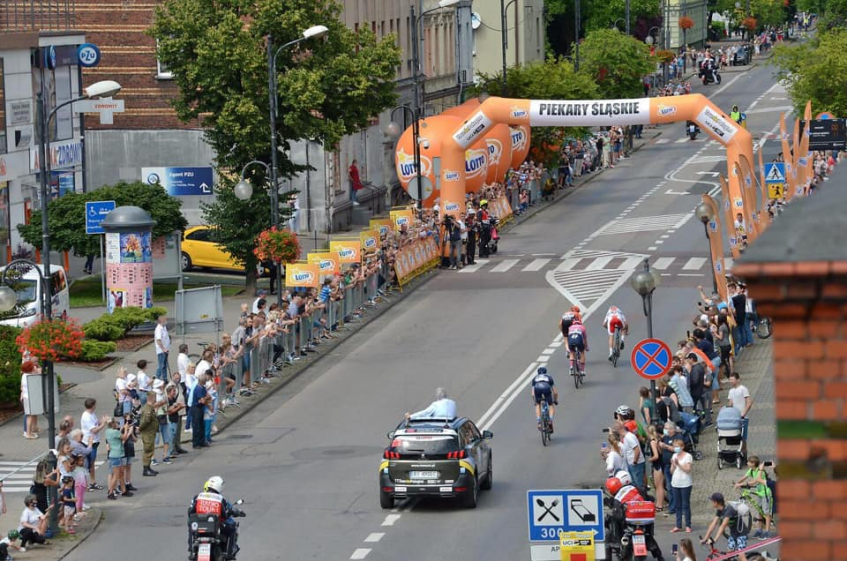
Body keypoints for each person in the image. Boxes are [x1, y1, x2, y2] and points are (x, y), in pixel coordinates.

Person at [734, 456, 772, 540]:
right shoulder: (751, 470)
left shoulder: (759, 471)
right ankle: (759, 530)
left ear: (753, 463)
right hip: (759, 493)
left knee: (766, 513)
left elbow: (754, 482)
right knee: (759, 510)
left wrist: (741, 484)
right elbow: (744, 477)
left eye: (748, 462)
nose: (747, 463)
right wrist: (736, 483)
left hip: (765, 493)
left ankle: (767, 532)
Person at [701, 492, 748, 561]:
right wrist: (705, 538)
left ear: (716, 502)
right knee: (729, 554)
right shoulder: (720, 510)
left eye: (712, 501)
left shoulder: (729, 510)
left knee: (741, 556)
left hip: (741, 534)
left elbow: (723, 526)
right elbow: (713, 525)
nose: (711, 502)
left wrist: (714, 540)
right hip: (733, 534)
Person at [80, 398, 107, 491]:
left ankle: (93, 482)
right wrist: (103, 424)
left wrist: (101, 421)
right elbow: (94, 430)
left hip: (94, 442)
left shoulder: (91, 414)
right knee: (88, 463)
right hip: (89, 442)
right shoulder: (86, 416)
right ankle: (85, 484)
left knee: (92, 463)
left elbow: (95, 423)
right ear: (92, 406)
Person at [669, 436, 693, 533]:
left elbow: (688, 470)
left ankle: (688, 525)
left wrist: (678, 464)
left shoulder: (688, 456)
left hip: (685, 483)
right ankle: (678, 525)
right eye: (674, 446)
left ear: (682, 447)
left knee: (685, 504)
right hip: (676, 483)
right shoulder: (674, 456)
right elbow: (671, 471)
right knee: (677, 505)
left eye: (677, 446)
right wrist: (673, 465)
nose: (675, 448)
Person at [727, 372, 753, 455]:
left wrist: (743, 413)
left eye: (732, 379)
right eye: (730, 379)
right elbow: (730, 403)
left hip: (742, 417)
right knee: (735, 435)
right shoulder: (731, 391)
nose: (731, 381)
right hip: (734, 417)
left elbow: (749, 402)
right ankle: (739, 452)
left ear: (738, 380)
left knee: (743, 437)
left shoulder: (743, 389)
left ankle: (744, 453)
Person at [139, 386, 161, 477]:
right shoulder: (148, 409)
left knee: (150, 450)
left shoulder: (149, 408)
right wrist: (140, 428)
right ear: (152, 398)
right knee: (147, 450)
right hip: (147, 433)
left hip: (150, 433)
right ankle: (145, 469)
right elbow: (145, 421)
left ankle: (148, 467)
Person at [530, 367, 558, 431]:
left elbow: (532, 394)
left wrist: (535, 402)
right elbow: (555, 392)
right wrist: (555, 400)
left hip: (537, 388)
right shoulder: (549, 377)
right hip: (546, 388)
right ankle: (550, 420)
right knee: (551, 405)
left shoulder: (535, 378)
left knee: (538, 405)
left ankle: (539, 422)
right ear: (546, 372)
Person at [647, 425, 666, 512]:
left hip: (657, 465)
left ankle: (660, 504)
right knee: (658, 485)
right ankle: (659, 503)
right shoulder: (657, 440)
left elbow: (656, 455)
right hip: (660, 464)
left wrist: (650, 459)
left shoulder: (652, 442)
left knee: (659, 486)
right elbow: (661, 453)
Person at [154, 314, 171, 381]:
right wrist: (163, 349)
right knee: (161, 365)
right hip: (161, 351)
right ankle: (157, 378)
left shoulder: (164, 327)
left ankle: (165, 378)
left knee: (164, 365)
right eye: (165, 319)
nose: (166, 320)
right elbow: (158, 340)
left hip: (166, 349)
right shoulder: (158, 329)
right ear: (161, 320)